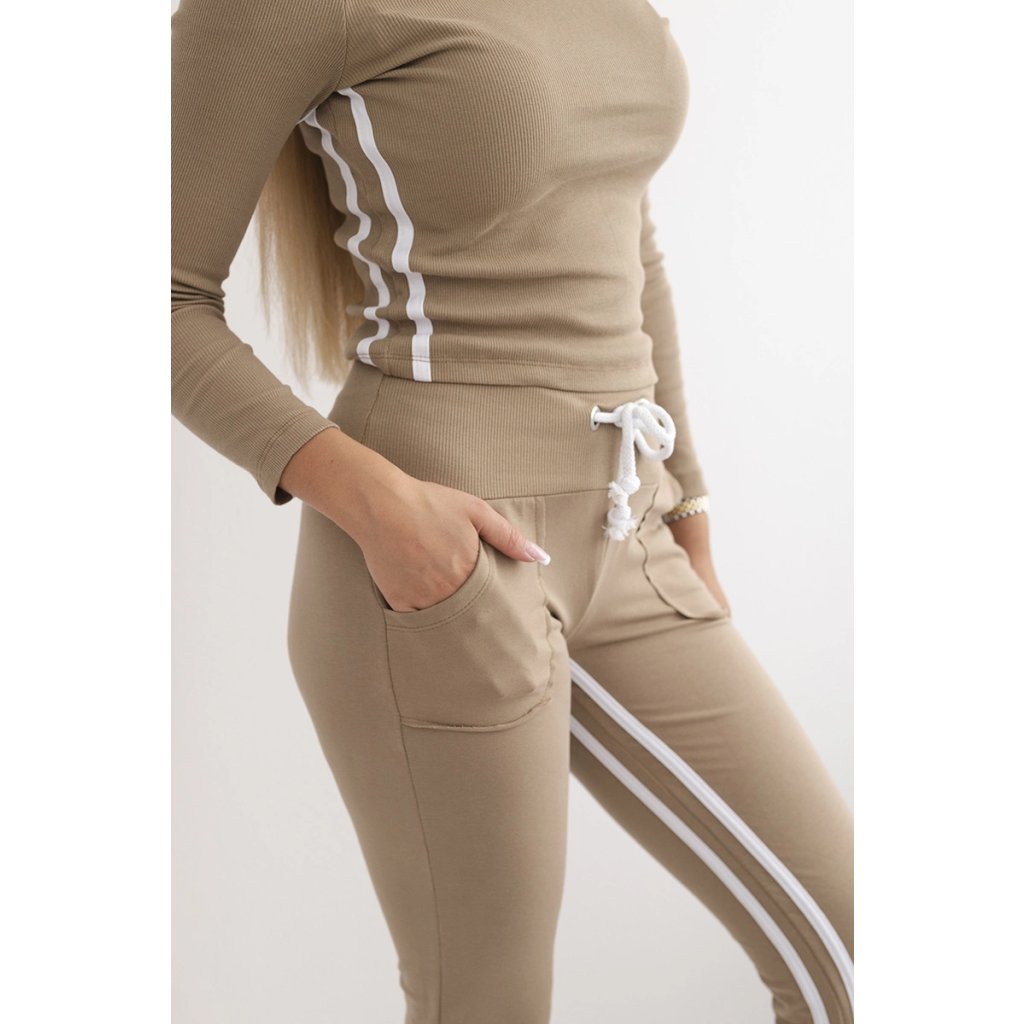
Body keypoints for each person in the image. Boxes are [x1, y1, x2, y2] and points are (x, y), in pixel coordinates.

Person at [171, 0, 854, 1020]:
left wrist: (690, 502)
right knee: (485, 1004)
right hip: (442, 555)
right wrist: (389, 513)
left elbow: (627, 237)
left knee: (854, 943)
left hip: (633, 527)